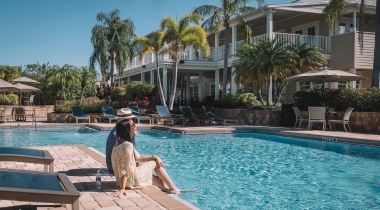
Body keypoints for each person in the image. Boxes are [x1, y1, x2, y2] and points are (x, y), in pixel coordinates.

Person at [111, 119, 183, 196]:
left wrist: (154, 156)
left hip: (121, 181)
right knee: (155, 163)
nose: (136, 126)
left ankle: (171, 189)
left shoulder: (119, 143)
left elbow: (138, 157)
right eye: (133, 124)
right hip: (131, 181)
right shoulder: (127, 145)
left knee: (152, 177)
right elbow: (124, 168)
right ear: (127, 129)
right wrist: (122, 189)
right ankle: (173, 188)